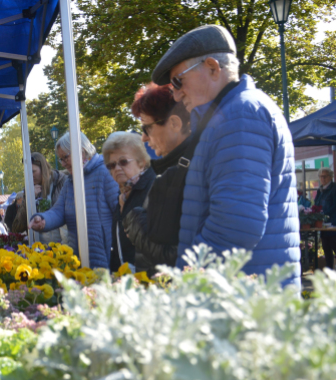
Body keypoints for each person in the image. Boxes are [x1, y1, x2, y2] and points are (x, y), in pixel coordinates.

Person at [152, 25, 300, 286]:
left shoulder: (239, 115)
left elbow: (234, 226)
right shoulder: (234, 113)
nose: (175, 93)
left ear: (212, 67)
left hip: (244, 304)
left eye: (178, 81)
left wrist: (184, 280)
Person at [123, 83, 193, 273]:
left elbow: (176, 255)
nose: (144, 138)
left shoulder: (187, 173)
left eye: (147, 129)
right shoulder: (178, 168)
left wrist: (133, 219)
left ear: (174, 124)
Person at [29, 132, 120, 269]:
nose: (64, 164)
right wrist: (43, 220)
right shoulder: (70, 182)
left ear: (81, 150)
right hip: (79, 258)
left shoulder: (104, 173)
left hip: (105, 257)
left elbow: (120, 213)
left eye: (65, 157)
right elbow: (59, 211)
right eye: (61, 159)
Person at [101, 132, 155, 272]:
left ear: (141, 162)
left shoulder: (154, 188)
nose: (117, 168)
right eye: (112, 165)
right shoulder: (124, 192)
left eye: (123, 162)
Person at [12, 153, 69, 244]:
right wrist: (29, 199)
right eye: (27, 173)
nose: (30, 176)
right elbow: (17, 227)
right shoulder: (29, 189)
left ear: (43, 168)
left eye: (33, 171)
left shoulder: (63, 182)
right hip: (39, 248)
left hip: (65, 246)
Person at [314, 168, 336, 269]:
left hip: (334, 223)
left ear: (330, 177)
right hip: (323, 224)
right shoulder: (320, 190)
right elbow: (316, 205)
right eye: (320, 177)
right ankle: (329, 271)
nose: (322, 179)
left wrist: (325, 215)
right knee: (326, 248)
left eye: (325, 176)